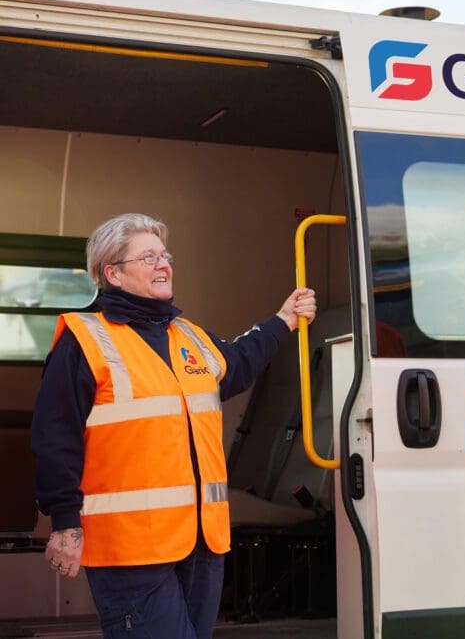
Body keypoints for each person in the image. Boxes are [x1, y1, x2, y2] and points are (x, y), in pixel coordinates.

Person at [31, 213, 316, 639]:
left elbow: (238, 363)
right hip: (132, 549)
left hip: (202, 542)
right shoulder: (85, 340)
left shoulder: (189, 336)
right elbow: (56, 438)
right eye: (149, 257)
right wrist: (66, 523)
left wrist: (283, 319)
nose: (165, 264)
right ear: (114, 273)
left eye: (166, 255)